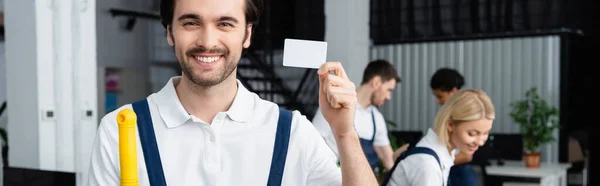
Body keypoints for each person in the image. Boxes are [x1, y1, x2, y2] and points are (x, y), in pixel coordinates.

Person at [86, 0, 378, 185]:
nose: (208, 41)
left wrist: (345, 134)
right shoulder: (120, 130)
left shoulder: (292, 133)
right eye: (191, 22)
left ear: (247, 34)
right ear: (170, 32)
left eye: (225, 23)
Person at [381, 89, 495, 186]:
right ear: (450, 125)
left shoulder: (442, 150)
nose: (480, 142)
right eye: (472, 133)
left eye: (485, 133)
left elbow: (396, 156)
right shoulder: (427, 165)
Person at [312, 60, 401, 172]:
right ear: (376, 82)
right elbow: (313, 144)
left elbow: (389, 160)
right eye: (389, 90)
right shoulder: (335, 104)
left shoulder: (376, 118)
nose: (389, 97)